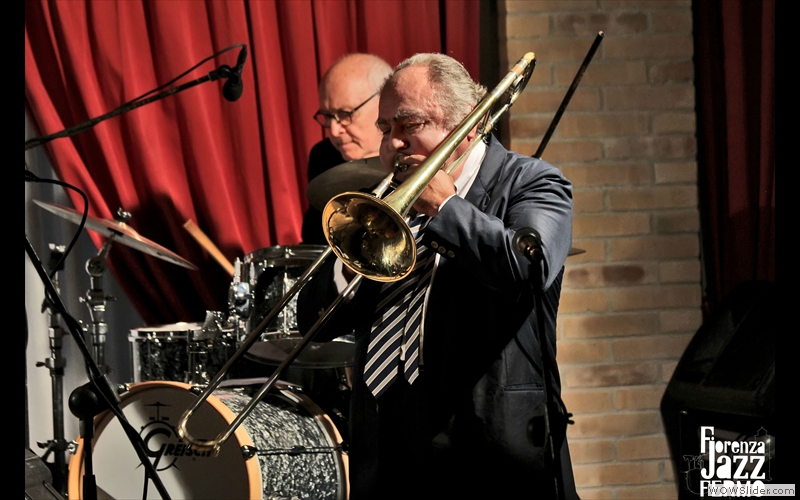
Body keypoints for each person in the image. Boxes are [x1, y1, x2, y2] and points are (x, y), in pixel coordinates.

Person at [299, 53, 577, 499]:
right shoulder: (383, 201)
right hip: (389, 454)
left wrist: (446, 209)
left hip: (490, 456)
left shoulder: (531, 183)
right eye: (386, 129)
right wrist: (354, 249)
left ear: (467, 123)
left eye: (409, 125)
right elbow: (313, 319)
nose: (394, 143)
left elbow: (530, 267)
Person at [301, 53, 392, 245]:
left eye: (345, 114)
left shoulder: (414, 159)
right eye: (327, 116)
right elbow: (313, 240)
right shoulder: (323, 156)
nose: (334, 130)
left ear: (384, 101)